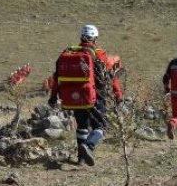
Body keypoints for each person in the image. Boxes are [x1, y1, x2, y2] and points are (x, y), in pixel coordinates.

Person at [48, 24, 123, 166]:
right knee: (101, 127)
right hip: (95, 96)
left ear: (81, 37)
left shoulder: (68, 53)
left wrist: (52, 98)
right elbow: (111, 77)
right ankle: (89, 146)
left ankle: (81, 159)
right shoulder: (99, 54)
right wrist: (118, 94)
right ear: (95, 38)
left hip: (74, 96)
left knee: (82, 126)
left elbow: (56, 77)